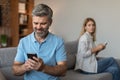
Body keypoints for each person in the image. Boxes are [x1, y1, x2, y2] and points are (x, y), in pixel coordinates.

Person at [12, 4, 67, 80]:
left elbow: (63, 71)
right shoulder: (23, 42)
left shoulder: (58, 41)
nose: (38, 27)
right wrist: (24, 67)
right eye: (35, 23)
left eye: (43, 23)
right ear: (32, 21)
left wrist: (43, 68)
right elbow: (15, 70)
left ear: (50, 22)